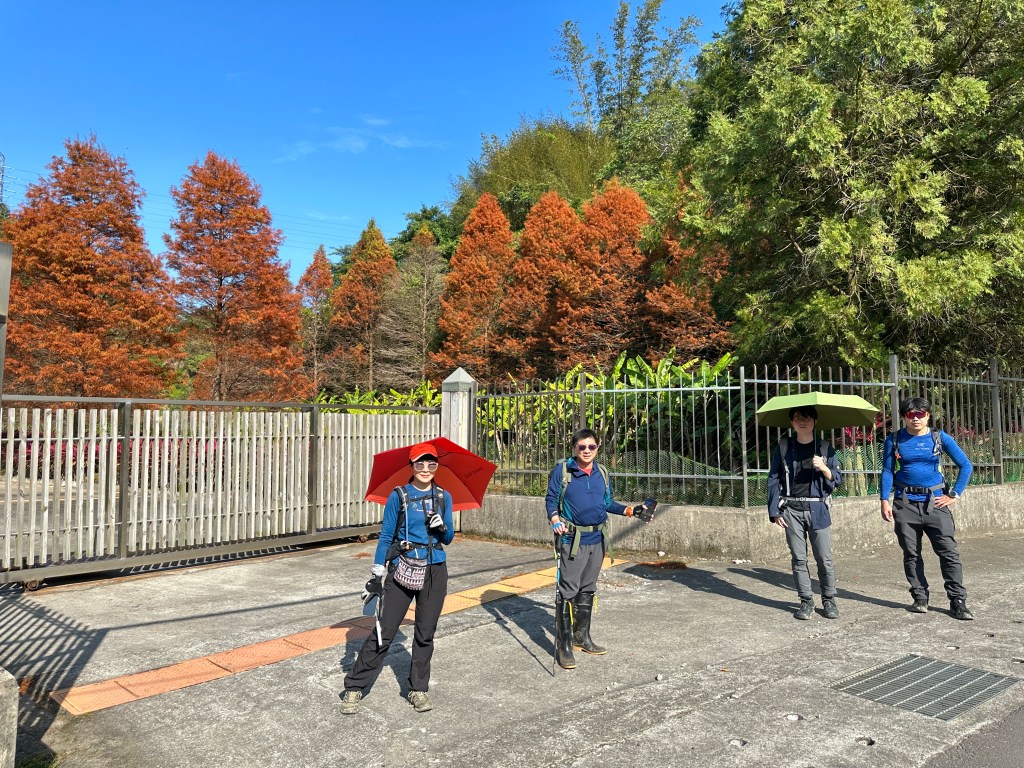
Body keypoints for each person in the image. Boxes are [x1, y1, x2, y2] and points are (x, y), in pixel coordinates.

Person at [340, 442, 455, 714]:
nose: (426, 469)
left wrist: (442, 528)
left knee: (425, 633)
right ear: (411, 466)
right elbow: (386, 536)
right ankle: (354, 687)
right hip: (403, 566)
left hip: (435, 570)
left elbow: (448, 538)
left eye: (431, 464)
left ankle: (418, 689)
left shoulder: (443, 496)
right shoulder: (399, 495)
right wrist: (377, 571)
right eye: (420, 464)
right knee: (384, 631)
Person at [545, 428, 655, 670]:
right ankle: (563, 646)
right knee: (567, 590)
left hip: (597, 538)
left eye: (591, 447)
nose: (587, 451)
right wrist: (555, 519)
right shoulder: (563, 471)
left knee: (588, 587)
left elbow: (607, 503)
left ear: (598, 447)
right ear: (574, 448)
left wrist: (630, 510)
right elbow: (551, 499)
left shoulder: (602, 473)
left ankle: (581, 637)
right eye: (582, 447)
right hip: (572, 539)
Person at [881, 397, 974, 620]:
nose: (916, 418)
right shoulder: (894, 440)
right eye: (910, 414)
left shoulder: (939, 437)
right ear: (904, 417)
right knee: (911, 553)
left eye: (920, 414)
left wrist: (954, 494)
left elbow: (965, 465)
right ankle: (920, 598)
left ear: (928, 416)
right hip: (905, 504)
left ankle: (958, 601)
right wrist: (884, 500)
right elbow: (887, 471)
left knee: (949, 553)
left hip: (936, 503)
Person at [767, 405, 844, 620]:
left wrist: (824, 468)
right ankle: (806, 601)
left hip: (818, 508)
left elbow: (838, 479)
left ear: (814, 421)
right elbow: (773, 478)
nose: (802, 421)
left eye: (807, 417)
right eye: (797, 418)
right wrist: (775, 511)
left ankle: (829, 599)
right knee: (799, 559)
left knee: (824, 558)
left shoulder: (825, 448)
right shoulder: (784, 446)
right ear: (792, 422)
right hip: (791, 509)